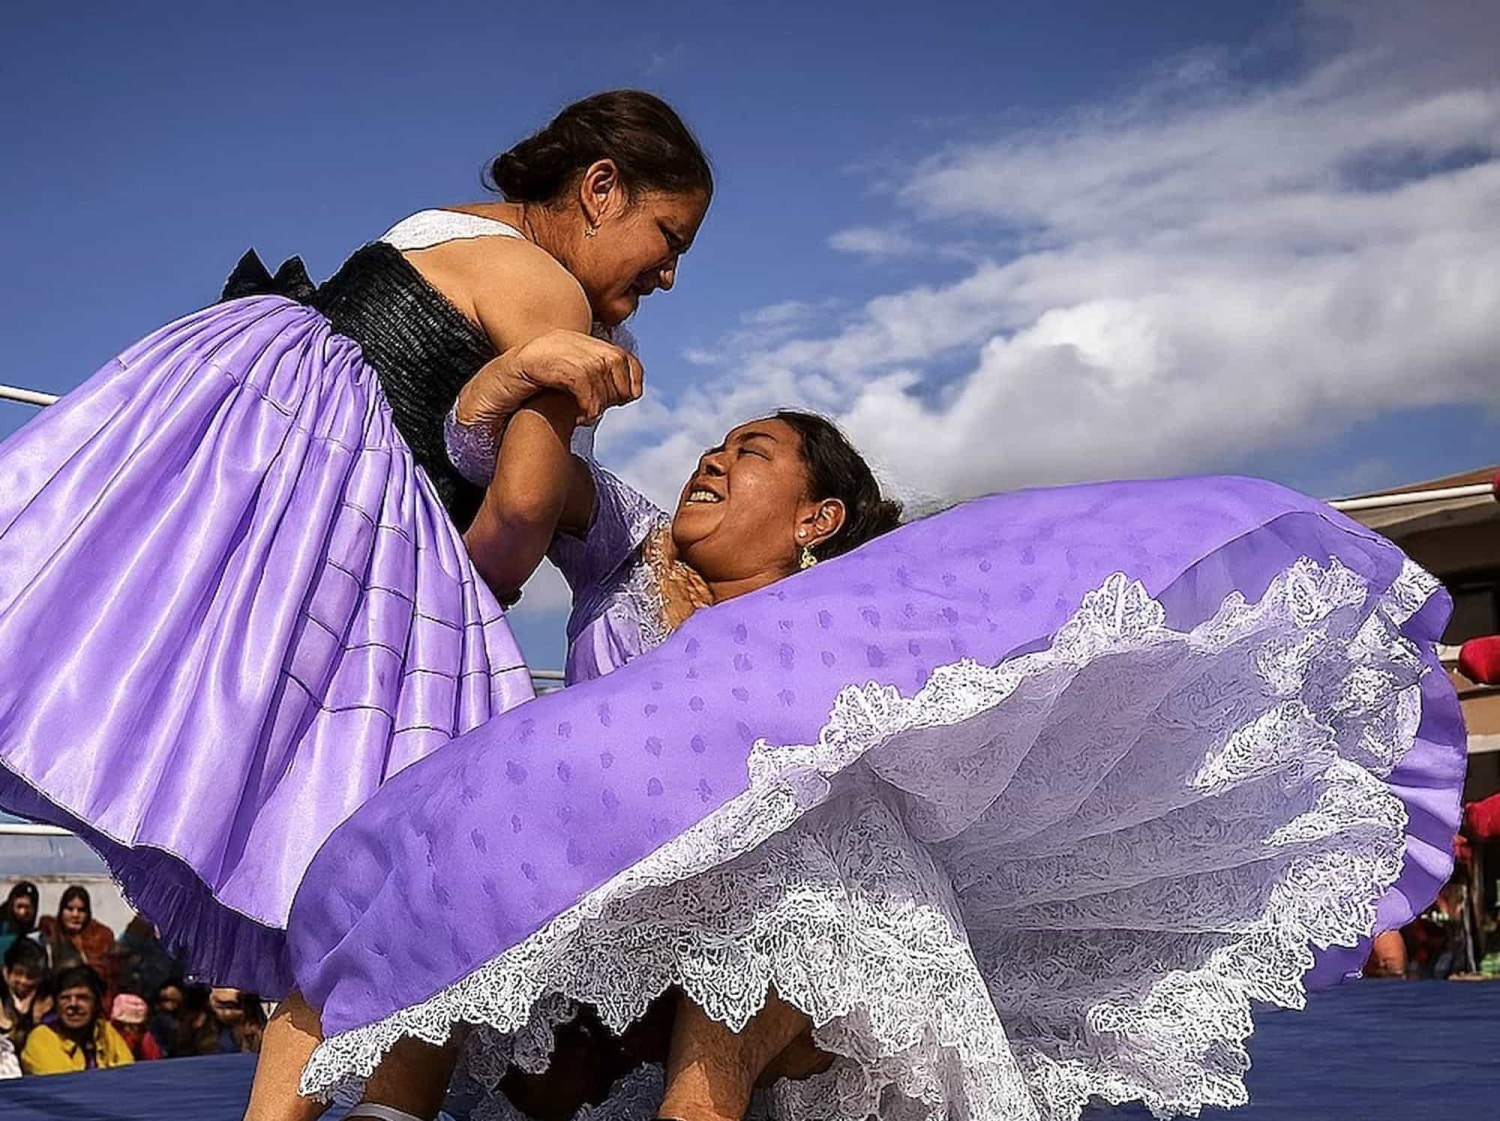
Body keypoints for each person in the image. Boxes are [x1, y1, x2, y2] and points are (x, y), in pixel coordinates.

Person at [285, 394, 1467, 1120]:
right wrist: (534, 362)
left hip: (792, 974)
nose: (711, 459)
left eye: (749, 453)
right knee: (464, 826)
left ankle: (704, 1108)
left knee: (786, 848)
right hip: (601, 944)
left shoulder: (865, 609)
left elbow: (1016, 605)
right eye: (711, 443)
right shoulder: (633, 565)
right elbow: (518, 452)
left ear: (816, 520)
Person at [0, 88, 709, 1001]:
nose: (669, 276)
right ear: (602, 188)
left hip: (252, 454)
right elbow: (526, 508)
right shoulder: (548, 287)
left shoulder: (438, 227)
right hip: (345, 508)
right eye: (670, 238)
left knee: (144, 676)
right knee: (383, 857)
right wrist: (458, 603)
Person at [19, 965, 134, 1075]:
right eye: (65, 998)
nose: (73, 1004)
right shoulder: (40, 1038)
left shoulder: (104, 1030)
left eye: (82, 998)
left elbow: (128, 1074)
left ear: (96, 1003)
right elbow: (68, 1086)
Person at [39, 886, 116, 982]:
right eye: (70, 909)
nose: (75, 915)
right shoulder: (52, 932)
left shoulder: (100, 937)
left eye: (81, 910)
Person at [0, 938, 52, 1052]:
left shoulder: (48, 1001)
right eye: (18, 973)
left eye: (31, 976)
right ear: (6, 972)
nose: (23, 981)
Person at [109, 993, 164, 1061]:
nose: (127, 1030)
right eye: (119, 1025)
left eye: (133, 1026)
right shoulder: (106, 1037)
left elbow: (155, 1066)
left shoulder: (147, 1042)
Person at [0, 882, 39, 957]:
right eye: (19, 906)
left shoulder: (37, 936)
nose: (23, 912)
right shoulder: (3, 929)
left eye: (27, 907)